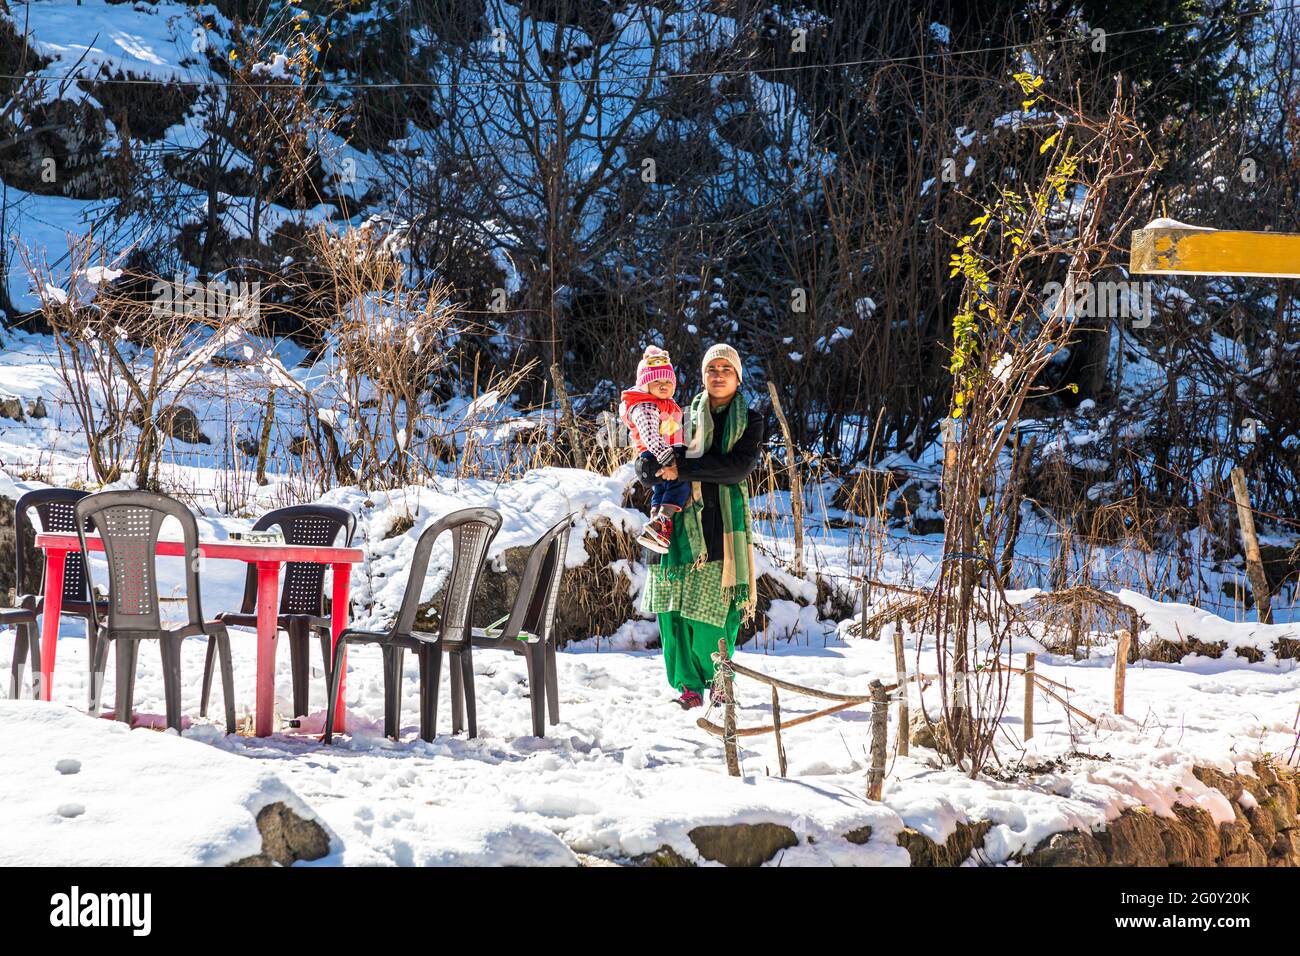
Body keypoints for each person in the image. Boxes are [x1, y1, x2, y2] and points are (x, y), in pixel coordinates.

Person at [637, 343, 766, 709]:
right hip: (676, 525)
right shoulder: (681, 415)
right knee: (674, 612)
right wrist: (646, 469)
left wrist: (684, 469)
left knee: (714, 614)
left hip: (720, 527)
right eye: (712, 368)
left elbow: (736, 468)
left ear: (738, 377)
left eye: (726, 368)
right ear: (703, 375)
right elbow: (657, 451)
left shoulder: (749, 420)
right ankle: (688, 687)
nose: (719, 374)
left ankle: (720, 682)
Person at [620, 346, 690, 553]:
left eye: (668, 381)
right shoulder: (645, 406)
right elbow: (650, 435)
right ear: (644, 384)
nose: (663, 385)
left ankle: (653, 527)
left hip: (658, 454)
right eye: (657, 381)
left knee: (661, 489)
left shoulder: (663, 403)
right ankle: (664, 520)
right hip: (658, 455)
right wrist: (669, 458)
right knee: (681, 482)